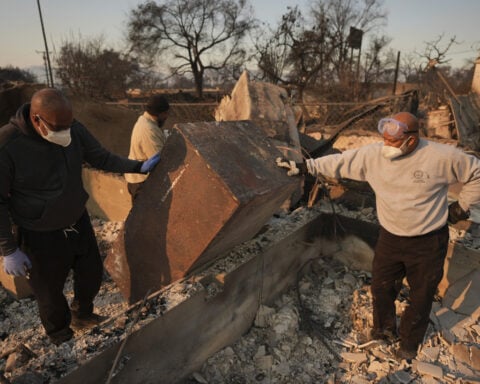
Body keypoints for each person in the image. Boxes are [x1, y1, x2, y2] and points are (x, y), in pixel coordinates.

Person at [276, 111, 480, 360]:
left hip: (428, 242)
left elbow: (476, 173)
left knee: (421, 295)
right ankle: (383, 331)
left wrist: (461, 206)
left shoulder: (440, 157)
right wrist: (305, 167)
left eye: (393, 142)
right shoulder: (374, 155)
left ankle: (408, 343)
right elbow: (340, 162)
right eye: (385, 140)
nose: (387, 147)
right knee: (381, 288)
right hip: (391, 238)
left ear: (412, 140)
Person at [0, 88, 160, 345]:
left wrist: (137, 166)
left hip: (76, 220)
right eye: (58, 127)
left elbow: (100, 157)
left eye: (68, 125)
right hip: (39, 232)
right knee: (50, 293)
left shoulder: (72, 129)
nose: (65, 133)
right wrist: (8, 249)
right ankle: (62, 338)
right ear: (37, 119)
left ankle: (82, 314)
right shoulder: (8, 145)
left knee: (91, 274)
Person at [125, 94, 170, 201]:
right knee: (146, 217)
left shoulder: (144, 120)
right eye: (165, 113)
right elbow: (160, 161)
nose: (167, 116)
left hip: (139, 180)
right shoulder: (149, 130)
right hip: (141, 183)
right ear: (160, 113)